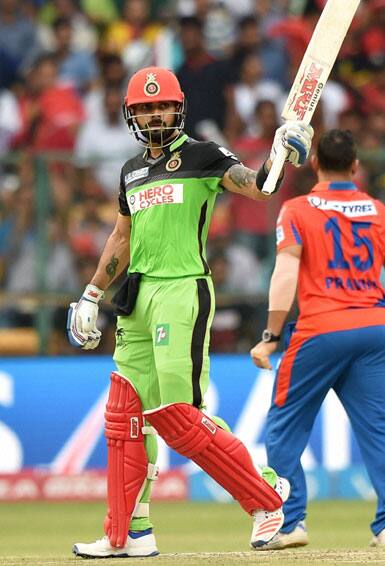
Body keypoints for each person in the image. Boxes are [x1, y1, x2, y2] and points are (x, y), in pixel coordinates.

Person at [66, 66, 313, 558]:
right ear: (131, 115)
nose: (155, 115)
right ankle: (129, 533)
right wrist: (93, 293)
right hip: (135, 298)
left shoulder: (203, 155)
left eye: (162, 106)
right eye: (145, 108)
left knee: (179, 417)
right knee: (125, 414)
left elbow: (260, 184)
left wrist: (281, 151)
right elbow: (121, 236)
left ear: (177, 109)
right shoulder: (131, 170)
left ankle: (266, 497)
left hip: (182, 291)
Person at [251, 129, 385, 550]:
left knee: (284, 426)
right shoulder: (378, 211)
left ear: (314, 164)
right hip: (374, 329)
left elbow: (286, 273)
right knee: (379, 430)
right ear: (356, 166)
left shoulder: (297, 209)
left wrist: (271, 336)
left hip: (321, 330)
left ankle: (290, 523)